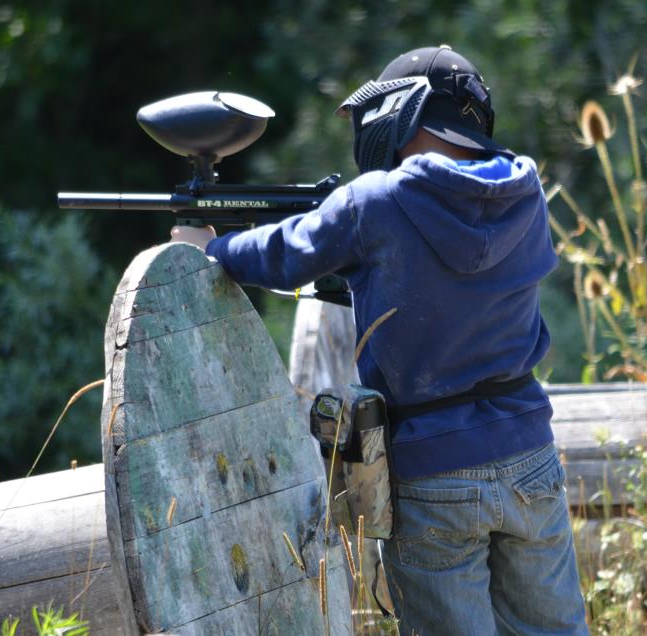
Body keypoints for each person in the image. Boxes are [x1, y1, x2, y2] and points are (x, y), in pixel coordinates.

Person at [171, 45, 588, 636]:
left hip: (434, 474)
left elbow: (284, 254)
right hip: (530, 460)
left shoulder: (376, 203)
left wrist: (209, 248)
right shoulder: (525, 192)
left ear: (399, 114)